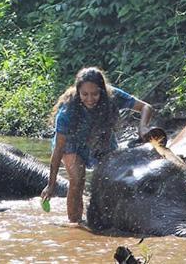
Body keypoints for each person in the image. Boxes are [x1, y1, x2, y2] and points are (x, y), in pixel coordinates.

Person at [40, 67, 155, 223]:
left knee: (114, 177)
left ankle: (112, 219)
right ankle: (75, 224)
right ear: (78, 92)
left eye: (95, 94)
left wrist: (143, 127)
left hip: (102, 140)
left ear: (102, 90)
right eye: (84, 94)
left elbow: (146, 107)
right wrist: (51, 184)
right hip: (72, 145)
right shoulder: (68, 111)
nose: (90, 99)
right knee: (77, 178)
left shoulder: (112, 96)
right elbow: (59, 149)